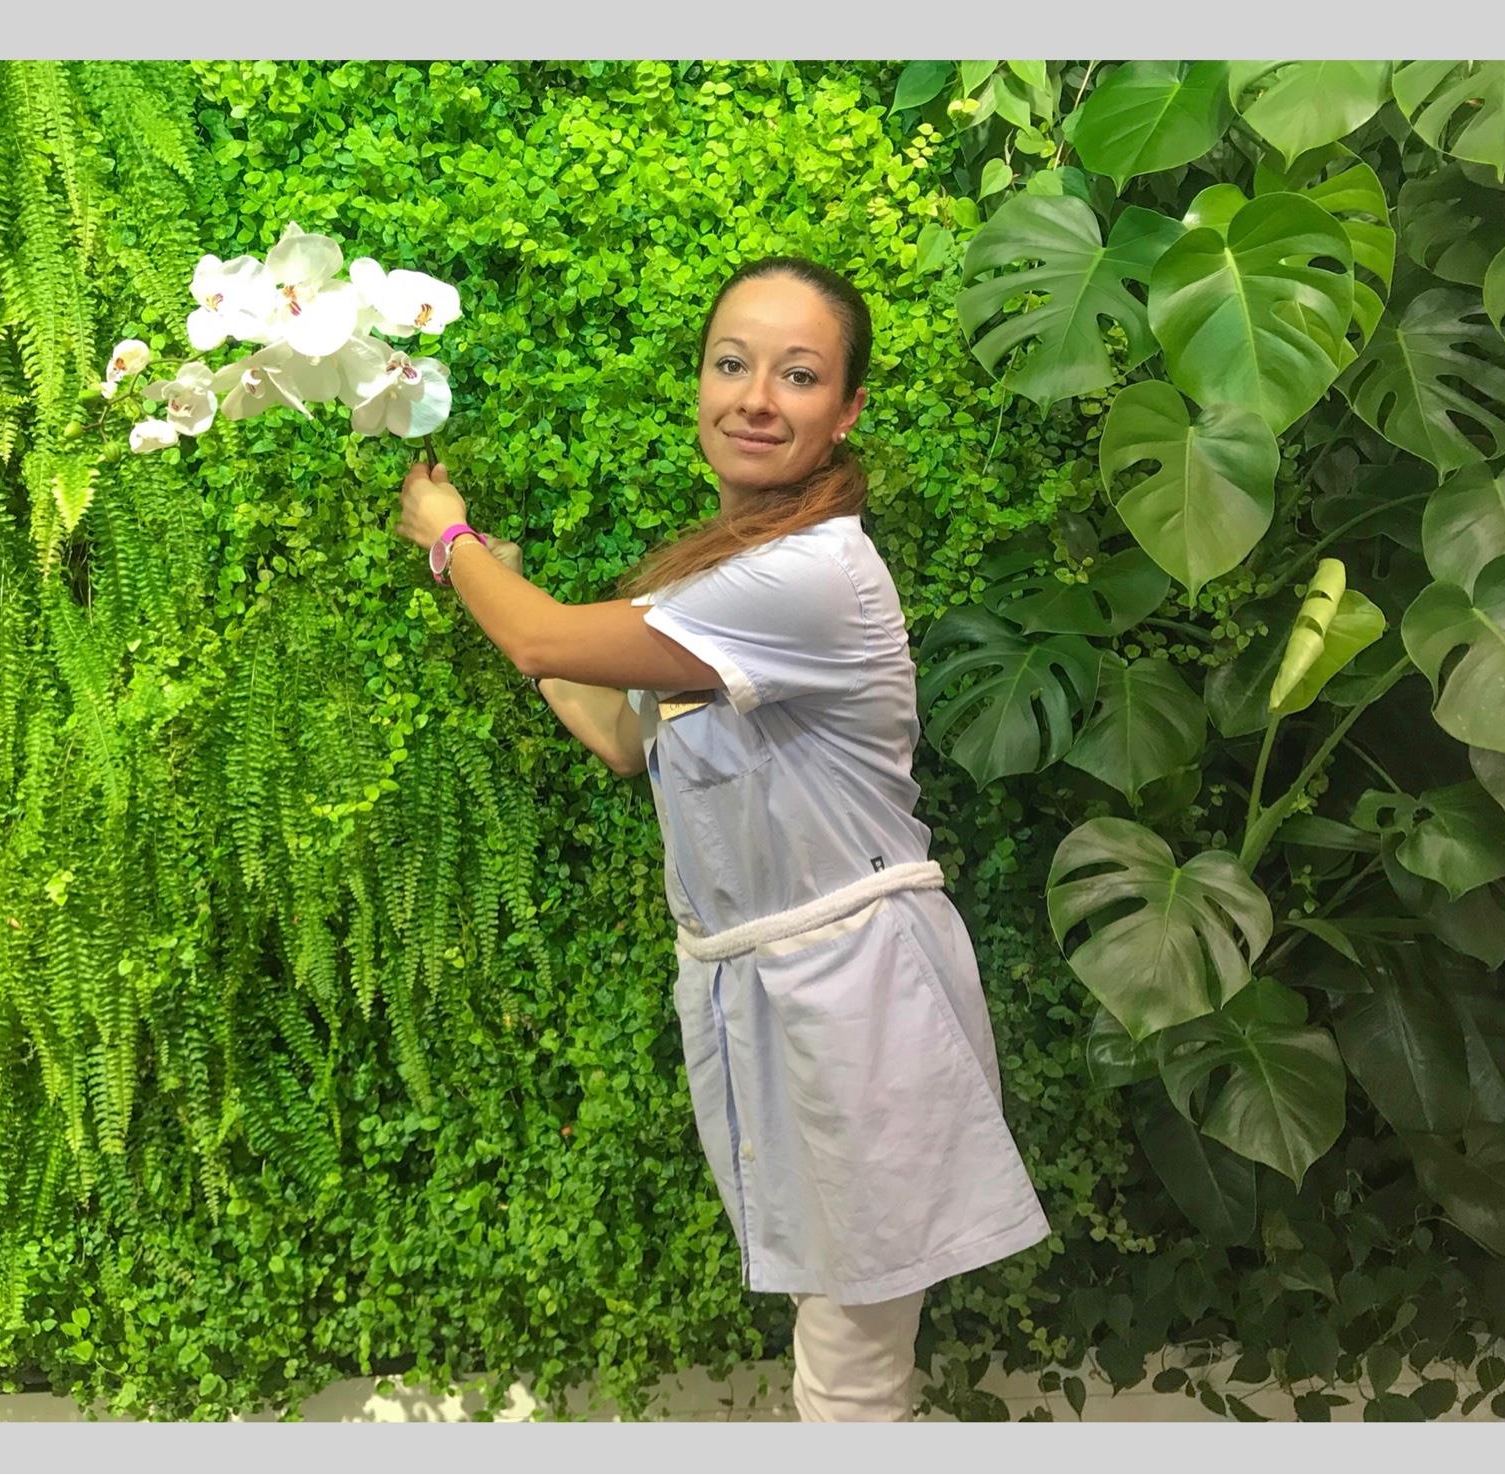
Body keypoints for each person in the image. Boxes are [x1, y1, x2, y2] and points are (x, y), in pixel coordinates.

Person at [392, 256, 1050, 1422]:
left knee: (850, 1370)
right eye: (731, 363)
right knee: (835, 1344)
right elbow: (620, 733)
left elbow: (544, 640)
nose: (755, 397)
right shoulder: (735, 570)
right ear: (698, 380)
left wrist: (452, 543)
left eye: (798, 375)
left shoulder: (813, 575)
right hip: (779, 992)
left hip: (857, 1000)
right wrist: (500, 587)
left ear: (846, 409)